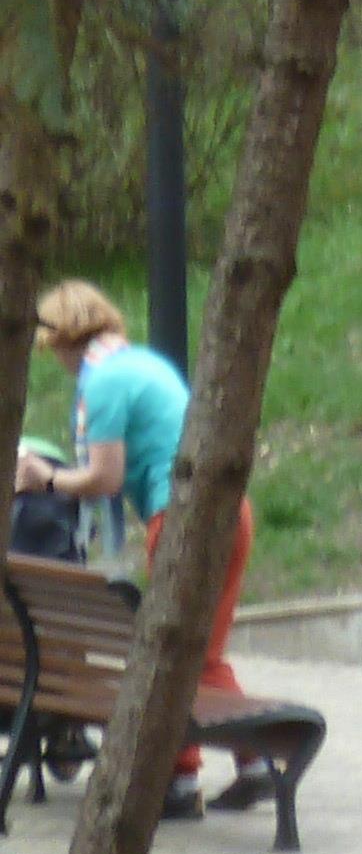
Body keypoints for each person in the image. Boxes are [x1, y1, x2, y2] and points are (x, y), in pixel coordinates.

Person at [18, 283, 259, 821]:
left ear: (64, 339)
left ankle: (197, 774)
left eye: (52, 348)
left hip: (182, 521)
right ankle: (242, 764)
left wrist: (45, 478)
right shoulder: (142, 363)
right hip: (229, 513)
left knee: (177, 655)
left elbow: (104, 478)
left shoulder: (103, 382)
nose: (55, 361)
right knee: (198, 654)